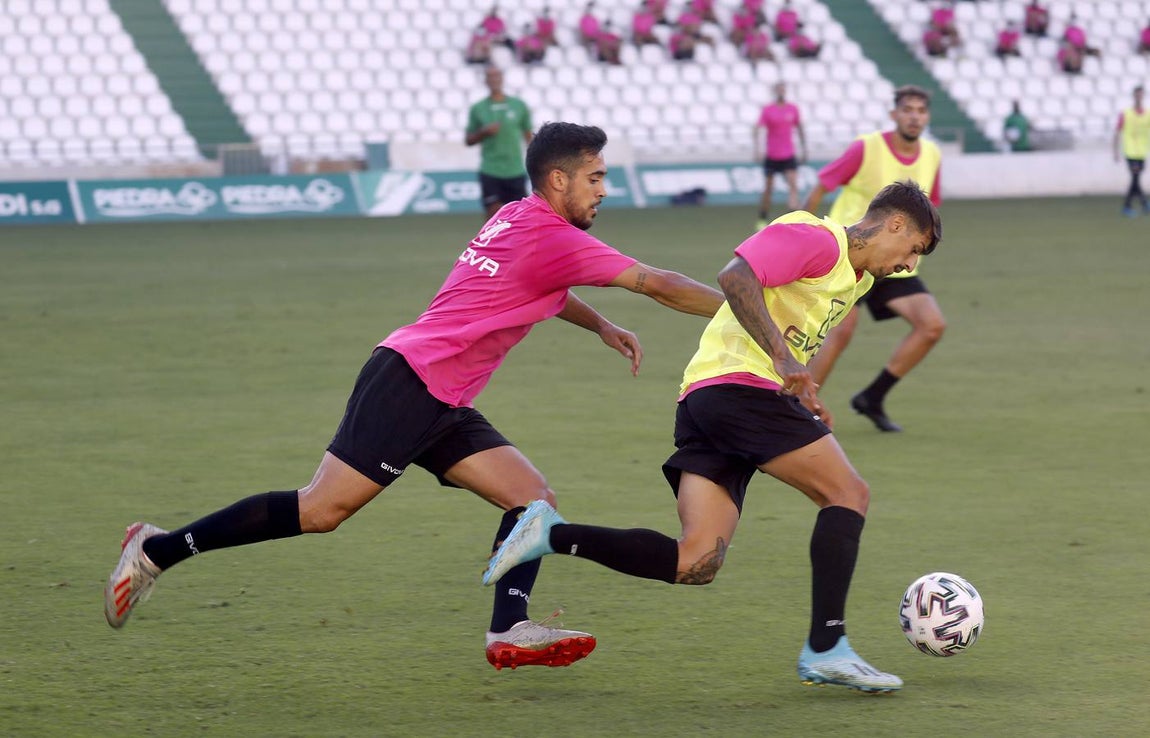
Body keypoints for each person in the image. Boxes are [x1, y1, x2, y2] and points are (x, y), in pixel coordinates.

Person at [104, 122, 725, 673]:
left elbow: (549, 289)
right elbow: (657, 284)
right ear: (558, 179)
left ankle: (509, 627)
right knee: (321, 510)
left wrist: (601, 327)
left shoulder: (517, 216)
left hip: (441, 395)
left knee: (532, 500)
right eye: (595, 177)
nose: (604, 189)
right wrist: (743, 310)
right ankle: (155, 549)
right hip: (409, 380)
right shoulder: (550, 235)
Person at [483, 180, 943, 693]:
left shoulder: (855, 279)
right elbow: (736, 276)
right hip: (736, 390)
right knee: (848, 493)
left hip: (714, 399)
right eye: (914, 249)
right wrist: (783, 359)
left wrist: (798, 387)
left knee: (696, 560)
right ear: (896, 223)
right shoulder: (819, 237)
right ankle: (827, 646)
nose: (909, 264)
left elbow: (785, 322)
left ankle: (547, 534)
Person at [801, 85, 944, 432]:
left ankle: (873, 397)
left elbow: (931, 206)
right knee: (842, 329)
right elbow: (822, 185)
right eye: (907, 109)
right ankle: (801, 409)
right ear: (894, 114)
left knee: (931, 325)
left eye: (920, 111)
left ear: (927, 117)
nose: (914, 116)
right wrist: (804, 231)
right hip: (853, 254)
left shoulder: (932, 155)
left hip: (894, 262)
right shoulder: (867, 148)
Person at [466, 66, 534, 219]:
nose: (494, 79)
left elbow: (528, 136)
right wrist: (483, 132)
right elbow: (468, 140)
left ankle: (518, 244)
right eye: (490, 76)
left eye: (497, 76)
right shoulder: (478, 108)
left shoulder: (518, 105)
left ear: (502, 79)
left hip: (515, 169)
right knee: (494, 216)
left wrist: (535, 164)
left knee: (519, 218)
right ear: (486, 80)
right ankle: (493, 243)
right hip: (491, 169)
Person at [754, 82, 807, 231]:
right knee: (768, 189)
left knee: (793, 186)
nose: (781, 92)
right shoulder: (768, 110)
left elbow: (800, 128)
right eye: (779, 89)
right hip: (772, 155)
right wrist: (757, 150)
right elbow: (757, 129)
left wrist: (804, 150)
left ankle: (792, 220)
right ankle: (762, 218)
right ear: (775, 91)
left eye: (783, 89)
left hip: (788, 154)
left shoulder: (792, 109)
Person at [1114, 85, 1150, 217]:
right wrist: (1115, 151)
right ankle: (1128, 206)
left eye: (1141, 94)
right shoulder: (1126, 113)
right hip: (1130, 152)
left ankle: (1144, 203)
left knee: (1136, 179)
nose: (1139, 97)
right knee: (1135, 179)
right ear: (1134, 96)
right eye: (1137, 94)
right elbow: (1117, 132)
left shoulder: (1147, 114)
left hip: (1142, 152)